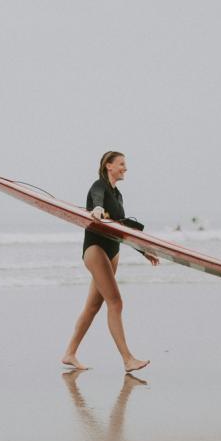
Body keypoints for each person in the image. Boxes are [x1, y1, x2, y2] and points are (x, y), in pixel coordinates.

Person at [62, 151, 159, 373]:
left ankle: (69, 353)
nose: (125, 168)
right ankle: (128, 359)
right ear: (108, 166)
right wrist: (96, 209)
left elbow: (122, 228)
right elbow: (96, 200)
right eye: (121, 164)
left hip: (113, 251)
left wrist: (144, 251)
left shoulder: (118, 195)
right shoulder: (99, 186)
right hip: (96, 250)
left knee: (93, 306)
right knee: (115, 302)